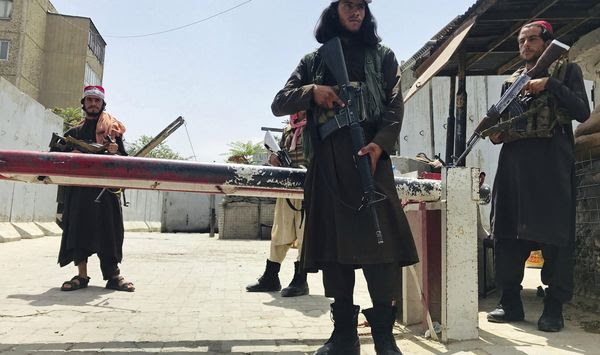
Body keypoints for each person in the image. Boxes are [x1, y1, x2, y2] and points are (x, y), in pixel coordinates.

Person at [271, 1, 418, 354]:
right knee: (336, 252)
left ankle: (384, 336)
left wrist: (380, 145)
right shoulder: (313, 61)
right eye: (348, 6)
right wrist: (313, 93)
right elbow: (280, 103)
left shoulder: (383, 56)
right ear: (334, 11)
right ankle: (343, 336)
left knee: (380, 251)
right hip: (328, 163)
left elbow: (395, 105)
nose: (356, 12)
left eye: (361, 7)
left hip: (370, 159)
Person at [487, 20, 590, 332]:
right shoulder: (512, 83)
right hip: (514, 167)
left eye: (532, 39)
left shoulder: (566, 72)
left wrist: (549, 85)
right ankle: (510, 302)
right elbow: (501, 122)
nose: (525, 45)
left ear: (548, 42)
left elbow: (582, 112)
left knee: (556, 236)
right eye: (521, 41)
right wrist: (495, 132)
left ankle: (554, 307)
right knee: (505, 232)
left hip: (551, 166)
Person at [56, 85, 135, 292]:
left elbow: (124, 161)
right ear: (83, 103)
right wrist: (70, 152)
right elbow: (56, 159)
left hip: (106, 191)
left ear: (102, 104)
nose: (93, 104)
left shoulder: (112, 132)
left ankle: (113, 276)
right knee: (78, 231)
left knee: (109, 232)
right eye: (89, 100)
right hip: (79, 192)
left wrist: (114, 152)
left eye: (96, 101)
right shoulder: (73, 132)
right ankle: (81, 276)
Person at [246, 111, 309, 297]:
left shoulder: (315, 126)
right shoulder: (288, 130)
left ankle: (301, 279)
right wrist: (274, 159)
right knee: (280, 230)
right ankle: (271, 276)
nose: (295, 111)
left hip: (309, 187)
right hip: (286, 186)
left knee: (305, 233)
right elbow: (279, 153)